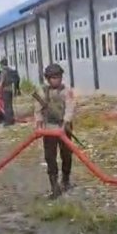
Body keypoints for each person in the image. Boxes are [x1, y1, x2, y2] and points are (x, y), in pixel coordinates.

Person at [34, 63, 75, 199]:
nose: (56, 80)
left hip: (64, 127)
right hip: (49, 129)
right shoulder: (43, 92)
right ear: (48, 79)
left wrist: (65, 123)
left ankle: (65, 180)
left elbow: (70, 108)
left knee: (66, 155)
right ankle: (54, 186)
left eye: (58, 77)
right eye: (53, 77)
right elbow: (38, 110)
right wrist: (39, 124)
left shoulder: (66, 91)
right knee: (50, 157)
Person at [0, 58, 16, 127]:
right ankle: (12, 120)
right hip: (11, 89)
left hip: (5, 90)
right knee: (10, 105)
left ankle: (7, 121)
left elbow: (1, 82)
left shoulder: (3, 71)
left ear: (2, 64)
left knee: (6, 106)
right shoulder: (10, 70)